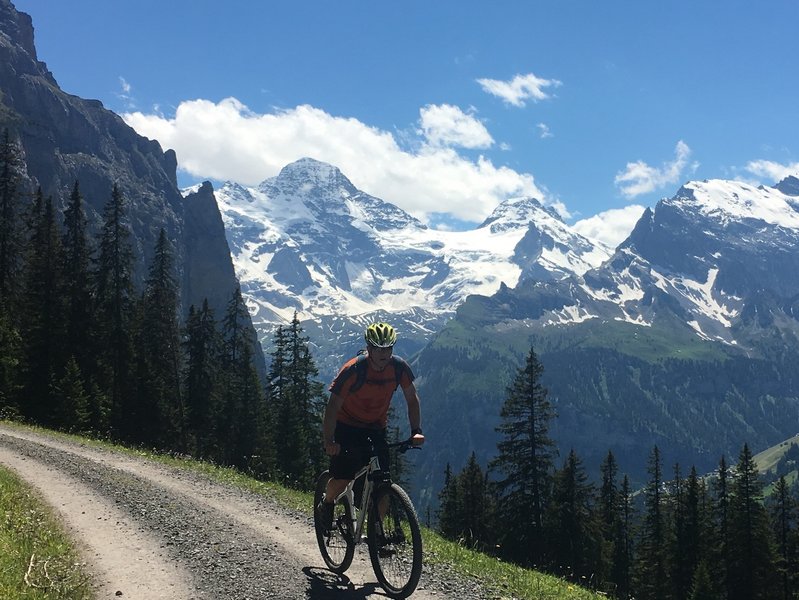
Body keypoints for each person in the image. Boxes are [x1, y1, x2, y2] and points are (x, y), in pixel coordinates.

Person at [318, 322, 424, 530]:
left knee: (383, 483)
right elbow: (332, 407)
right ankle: (327, 502)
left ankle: (377, 534)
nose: (384, 353)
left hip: (375, 427)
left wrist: (416, 431)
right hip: (346, 426)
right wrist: (329, 441)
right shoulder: (353, 370)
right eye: (378, 348)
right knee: (343, 479)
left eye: (388, 348)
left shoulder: (399, 368)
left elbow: (412, 398)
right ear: (369, 348)